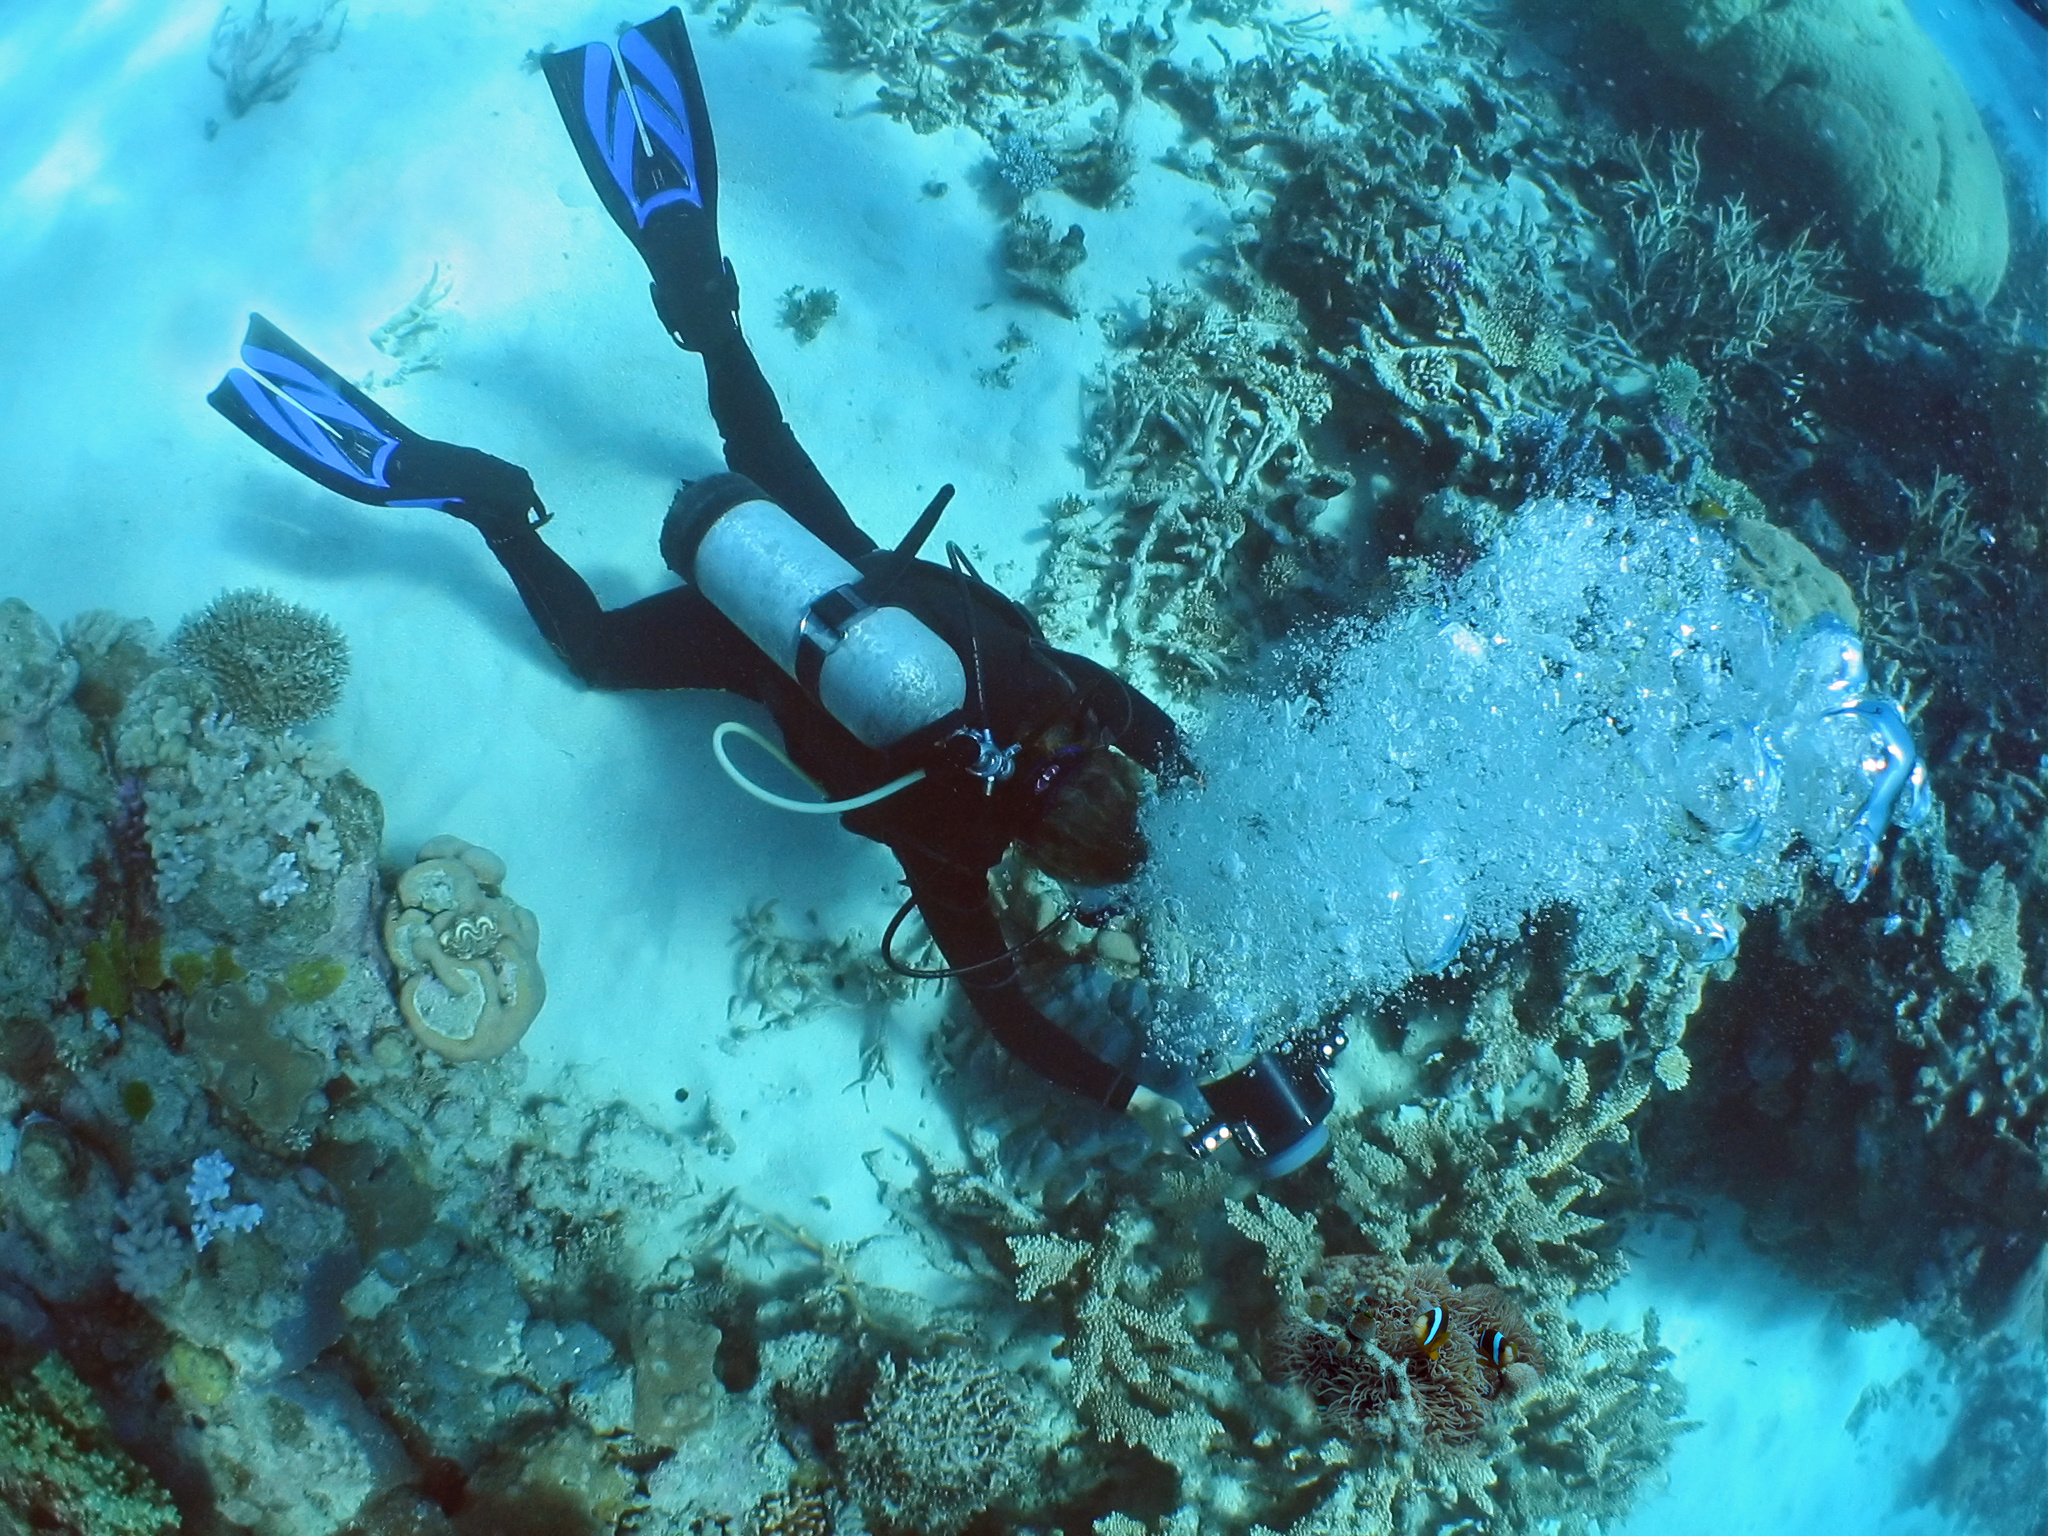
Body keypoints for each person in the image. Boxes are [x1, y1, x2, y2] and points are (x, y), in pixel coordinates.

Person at [210, 8, 1342, 1172]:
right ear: (1042, 857)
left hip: (829, 558)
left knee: (762, 443)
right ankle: (491, 507)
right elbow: (1005, 1015)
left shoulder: (1078, 699)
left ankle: (698, 292)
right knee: (594, 653)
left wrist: (1239, 840)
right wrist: (1132, 1096)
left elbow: (1175, 754)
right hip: (741, 633)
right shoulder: (951, 846)